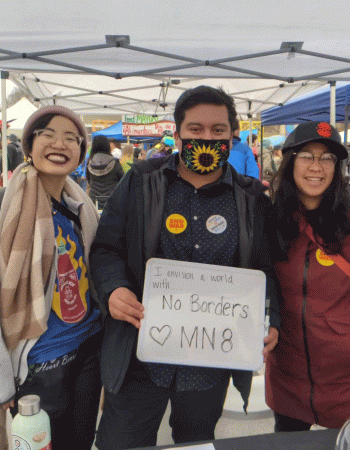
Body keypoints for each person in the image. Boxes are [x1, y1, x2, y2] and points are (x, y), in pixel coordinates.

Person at [89, 85, 281, 450]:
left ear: (231, 135)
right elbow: (105, 248)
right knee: (120, 442)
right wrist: (114, 288)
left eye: (217, 131)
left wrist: (271, 321)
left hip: (210, 364)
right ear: (177, 134)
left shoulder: (252, 198)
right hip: (139, 357)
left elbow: (267, 271)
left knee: (196, 444)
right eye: (195, 130)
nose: (206, 138)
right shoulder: (141, 181)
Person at [0, 105, 103, 449]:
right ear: (28, 146)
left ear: (81, 154)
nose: (60, 143)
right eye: (48, 134)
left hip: (87, 350)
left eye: (72, 138)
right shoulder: (9, 211)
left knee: (80, 442)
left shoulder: (80, 206)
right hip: (39, 366)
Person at [265, 121, 350, 431]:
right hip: (288, 377)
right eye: (307, 156)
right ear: (289, 161)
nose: (317, 167)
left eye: (327, 158)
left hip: (345, 382)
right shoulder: (269, 218)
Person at [87, 135, 124, 210]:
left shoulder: (90, 163)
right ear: (107, 146)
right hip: (112, 200)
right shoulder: (115, 162)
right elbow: (123, 180)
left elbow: (88, 180)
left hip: (94, 200)